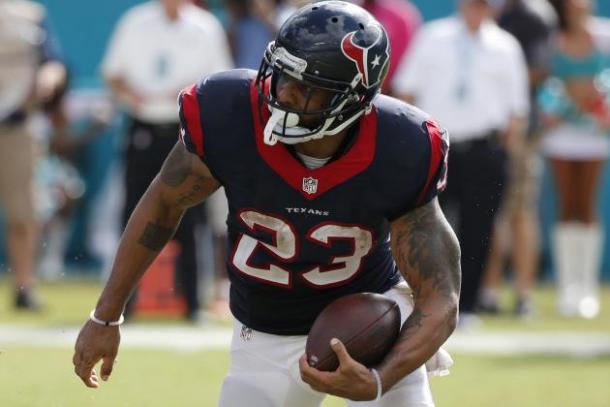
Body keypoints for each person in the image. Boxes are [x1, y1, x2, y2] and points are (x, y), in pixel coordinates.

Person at [73, 2, 460, 405]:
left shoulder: (400, 145)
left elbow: (441, 296)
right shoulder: (232, 114)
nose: (282, 91)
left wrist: (382, 377)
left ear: (352, 98)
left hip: (373, 321)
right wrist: (106, 314)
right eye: (282, 73)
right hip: (265, 331)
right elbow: (162, 204)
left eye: (305, 86)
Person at [392, 0, 529, 326]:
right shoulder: (433, 37)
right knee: (424, 226)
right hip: (437, 148)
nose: (477, 9)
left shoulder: (505, 46)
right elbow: (406, 90)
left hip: (484, 148)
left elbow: (517, 108)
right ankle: (418, 300)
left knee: (477, 229)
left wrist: (508, 151)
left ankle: (464, 307)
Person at [101, 0, 232, 320]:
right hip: (143, 126)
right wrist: (134, 96)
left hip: (185, 130)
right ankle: (122, 303)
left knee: (192, 216)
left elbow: (220, 79)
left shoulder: (205, 26)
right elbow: (113, 73)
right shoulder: (135, 21)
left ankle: (192, 303)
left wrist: (186, 94)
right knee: (133, 212)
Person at [478, 0, 557, 318]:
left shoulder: (531, 14)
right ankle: (489, 291)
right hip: (490, 129)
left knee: (520, 212)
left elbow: (537, 70)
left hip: (519, 130)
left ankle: (523, 293)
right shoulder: (492, 14)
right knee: (491, 212)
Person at [539, 0, 610, 319]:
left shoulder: (604, 37)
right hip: (561, 136)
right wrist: (558, 109)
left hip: (594, 134)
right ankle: (568, 288)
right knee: (567, 206)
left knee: (588, 205)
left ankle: (588, 289)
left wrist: (599, 109)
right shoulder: (553, 40)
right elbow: (546, 85)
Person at [0, 0, 66, 309]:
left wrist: (49, 77)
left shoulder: (32, 14)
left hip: (18, 122)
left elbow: (52, 61)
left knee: (24, 212)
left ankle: (25, 287)